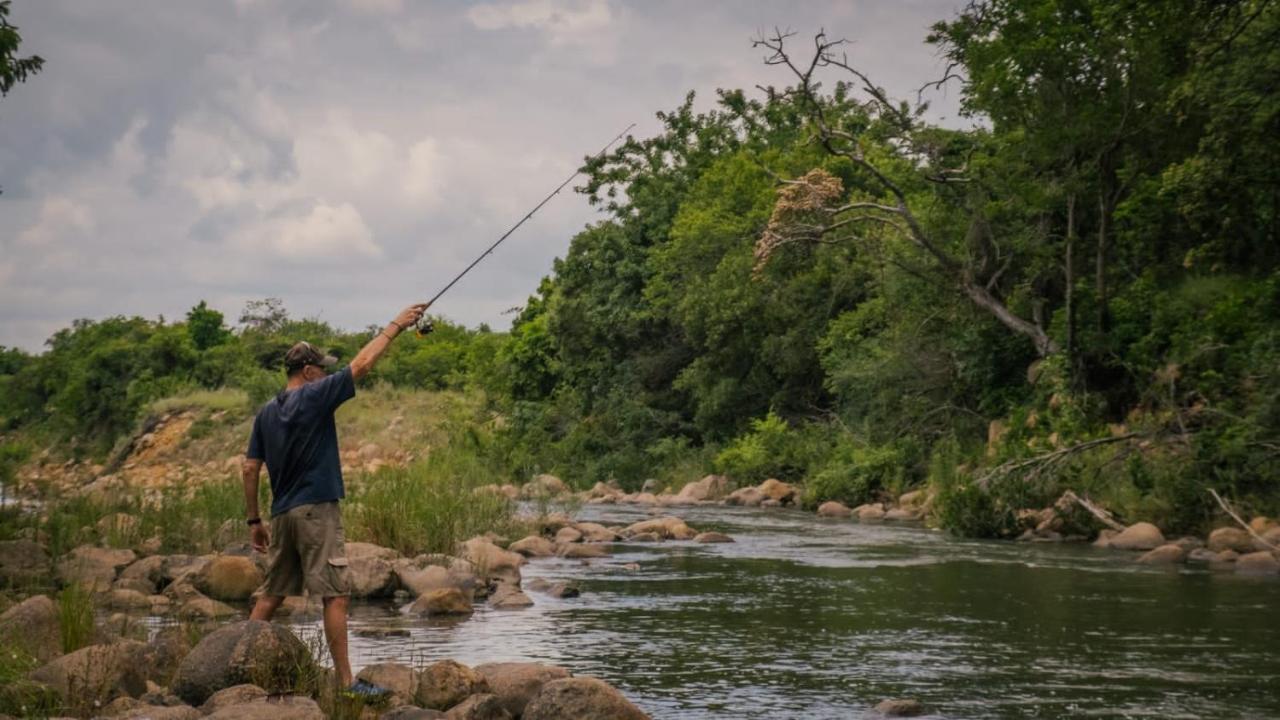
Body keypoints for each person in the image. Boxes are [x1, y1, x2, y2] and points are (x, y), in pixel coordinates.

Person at [241, 303, 428, 699]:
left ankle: (238, 667)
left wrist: (254, 522)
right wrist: (396, 324)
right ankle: (346, 685)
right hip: (316, 510)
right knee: (335, 595)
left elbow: (248, 468)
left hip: (282, 513)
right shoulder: (314, 396)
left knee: (271, 595)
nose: (327, 373)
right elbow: (360, 366)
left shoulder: (265, 413)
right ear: (307, 372)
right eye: (322, 368)